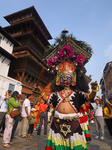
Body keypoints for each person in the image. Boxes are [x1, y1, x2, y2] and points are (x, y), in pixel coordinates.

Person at [35, 45, 99, 150]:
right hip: (57, 124)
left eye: (67, 77)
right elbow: (47, 99)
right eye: (63, 77)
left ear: (73, 79)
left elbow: (90, 97)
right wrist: (41, 93)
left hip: (73, 125)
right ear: (59, 79)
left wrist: (94, 90)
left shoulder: (78, 93)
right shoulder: (56, 93)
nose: (65, 80)